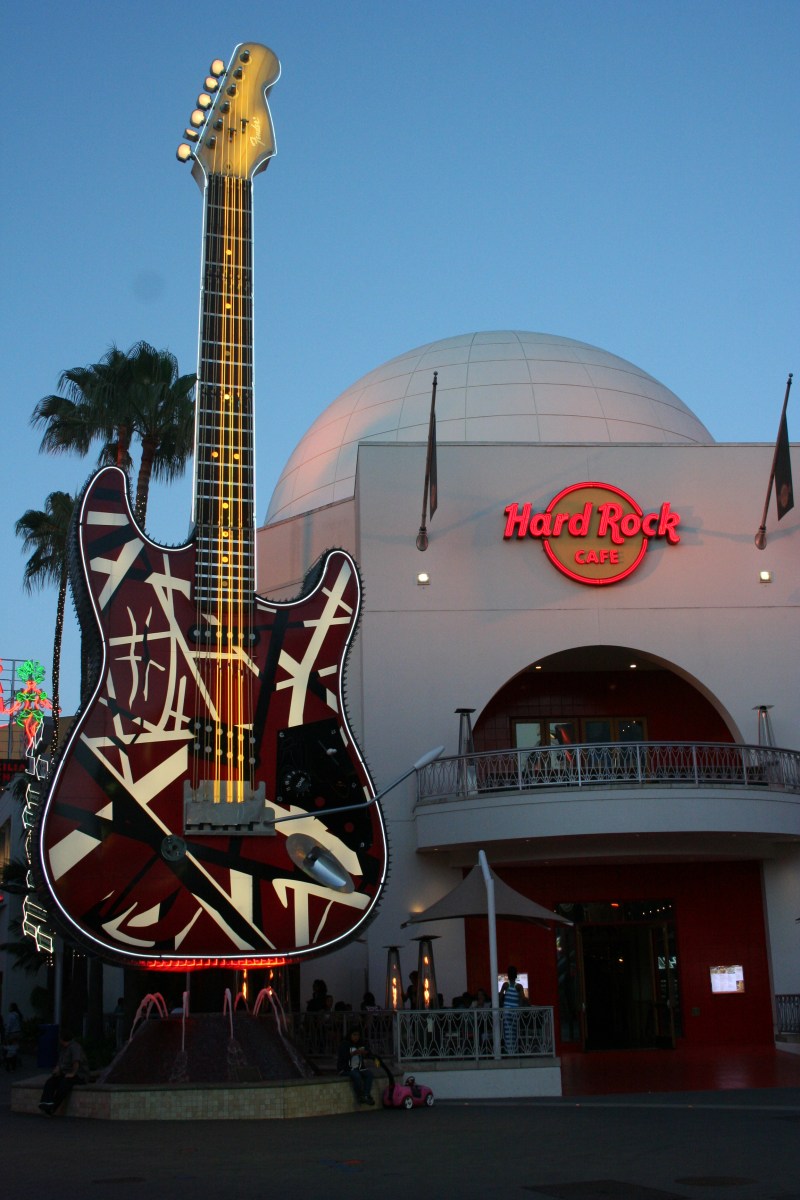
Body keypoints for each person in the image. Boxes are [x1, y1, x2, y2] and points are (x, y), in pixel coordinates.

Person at [38, 1031, 89, 1115]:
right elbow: (61, 1063)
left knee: (64, 1084)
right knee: (50, 1082)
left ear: (62, 1039)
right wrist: (57, 1070)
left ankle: (53, 1107)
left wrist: (73, 1073)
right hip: (66, 1073)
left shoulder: (75, 1047)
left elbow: (76, 1062)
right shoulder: (63, 1049)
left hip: (79, 1075)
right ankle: (46, 1104)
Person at [336, 1025, 375, 1105]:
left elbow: (369, 1052)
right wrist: (353, 1053)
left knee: (369, 1074)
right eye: (354, 1035)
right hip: (346, 1069)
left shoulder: (360, 1044)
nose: (356, 1037)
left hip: (359, 1068)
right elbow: (343, 1057)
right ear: (350, 1035)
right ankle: (360, 1096)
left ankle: (366, 1095)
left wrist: (366, 1053)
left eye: (358, 1035)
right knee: (356, 1075)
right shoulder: (344, 1044)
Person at [499, 966, 526, 1054]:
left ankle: (509, 1051)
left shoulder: (505, 985)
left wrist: (502, 1005)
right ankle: (514, 1051)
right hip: (515, 1011)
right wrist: (520, 1009)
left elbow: (500, 997)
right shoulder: (519, 986)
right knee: (515, 1032)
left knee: (508, 1033)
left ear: (508, 975)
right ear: (516, 976)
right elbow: (522, 999)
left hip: (506, 1011)